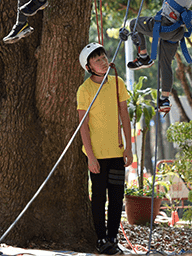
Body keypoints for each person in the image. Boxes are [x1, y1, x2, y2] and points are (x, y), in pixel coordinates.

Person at [74, 43, 131, 255]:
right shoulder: (85, 90)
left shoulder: (117, 83)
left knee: (116, 197)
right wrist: (90, 156)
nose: (103, 61)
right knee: (99, 198)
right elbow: (83, 125)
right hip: (96, 155)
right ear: (88, 67)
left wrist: (129, 148)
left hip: (117, 153)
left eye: (103, 57)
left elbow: (125, 116)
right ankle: (101, 240)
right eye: (96, 60)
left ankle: (113, 237)